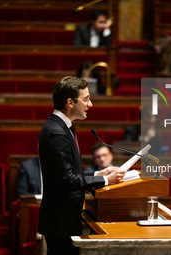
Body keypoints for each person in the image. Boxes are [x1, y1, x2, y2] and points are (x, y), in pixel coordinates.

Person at [37, 76, 125, 255]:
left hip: (64, 220)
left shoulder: (62, 126)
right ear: (70, 102)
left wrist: (99, 174)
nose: (90, 104)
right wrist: (105, 181)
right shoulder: (56, 132)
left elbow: (69, 172)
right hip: (60, 222)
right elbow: (66, 179)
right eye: (86, 99)